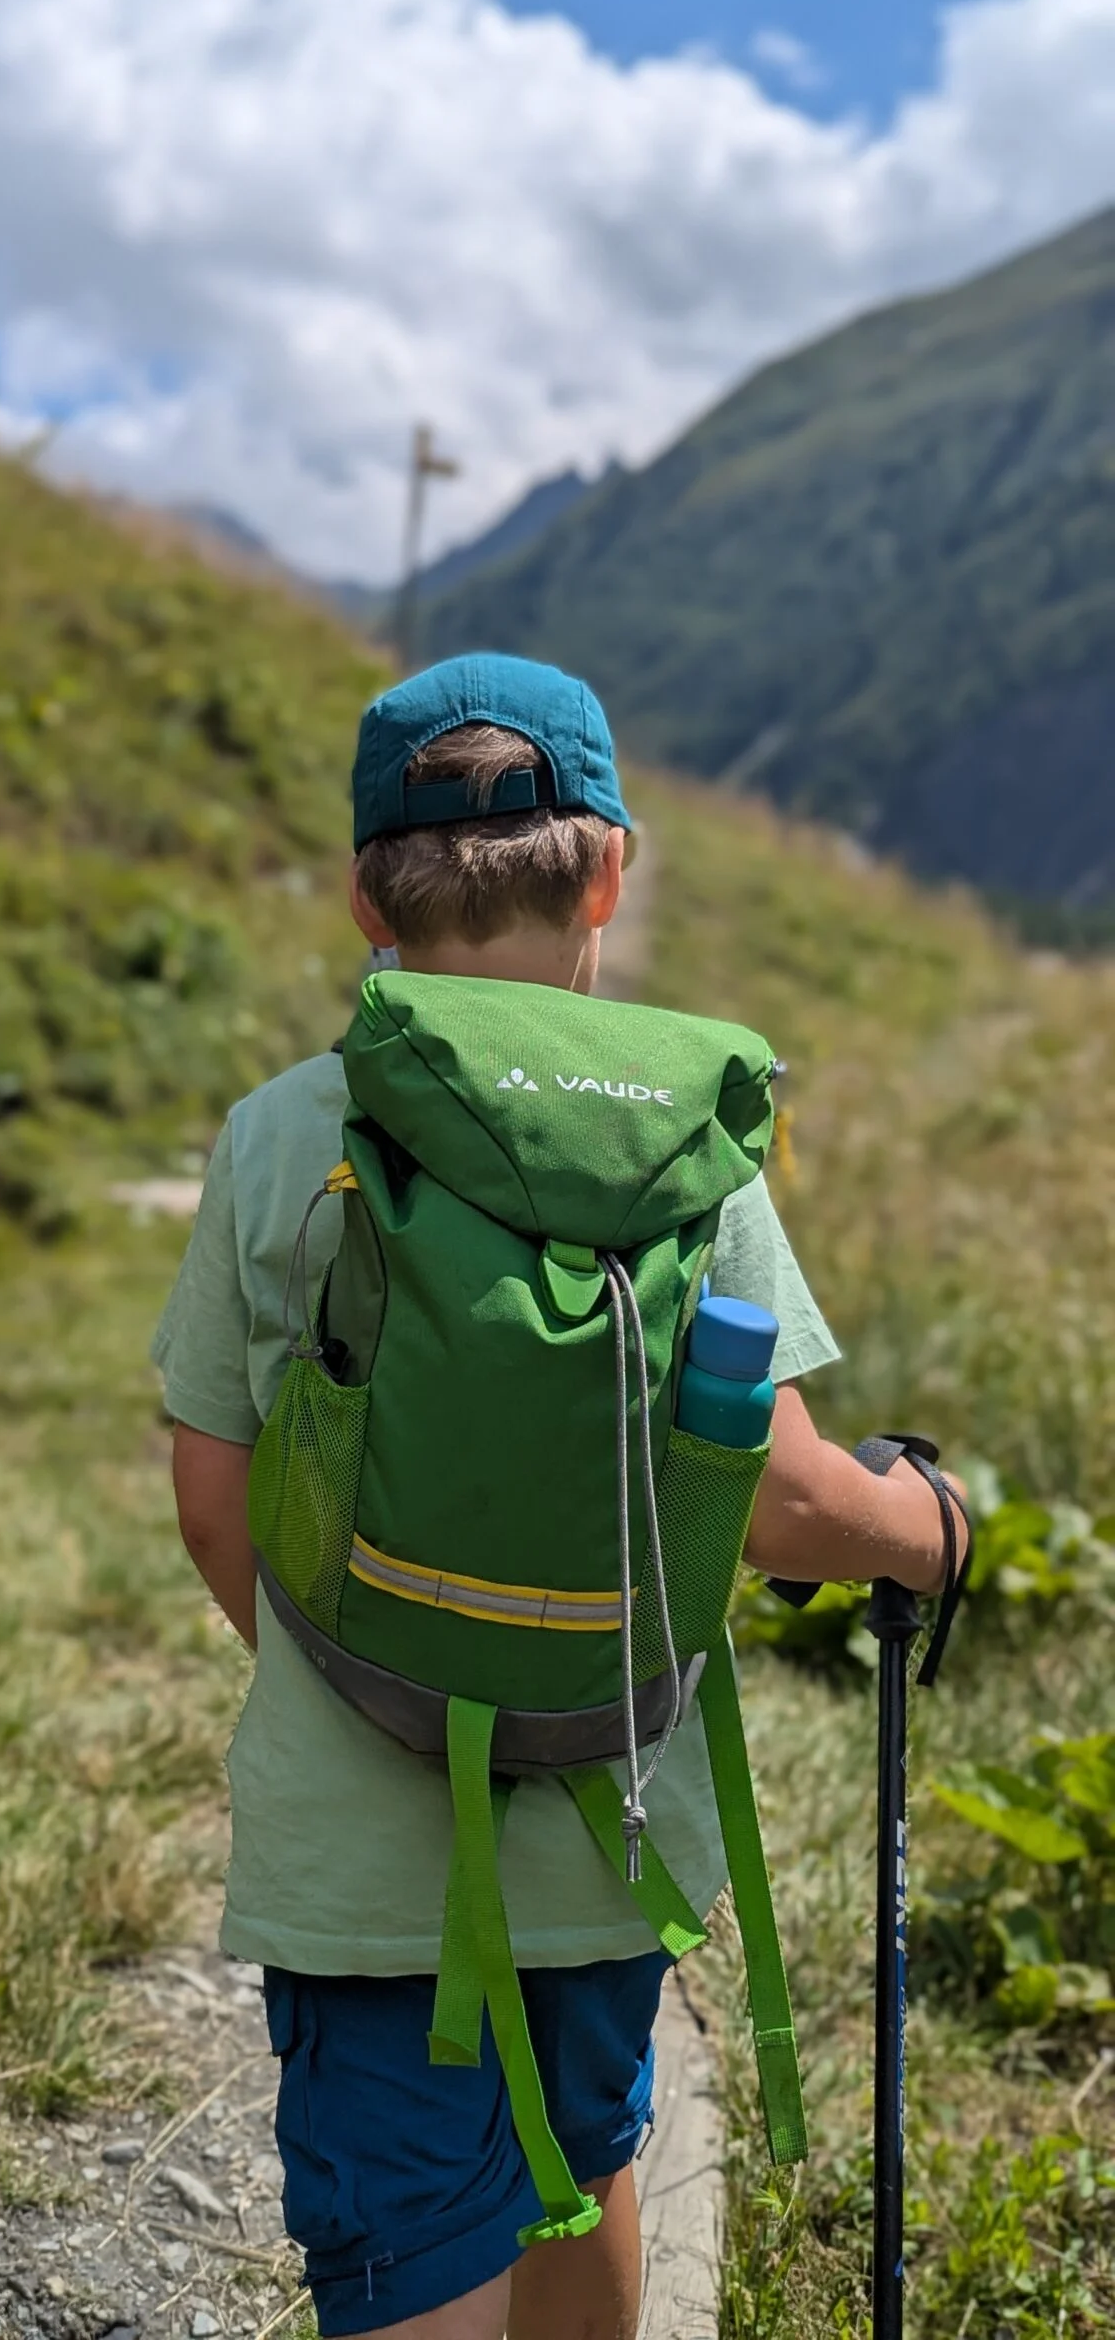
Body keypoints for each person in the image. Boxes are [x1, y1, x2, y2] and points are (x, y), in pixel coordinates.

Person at [153, 655, 969, 2340]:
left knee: (407, 2239)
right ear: (613, 872)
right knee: (589, 2157)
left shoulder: (283, 1130)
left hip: (365, 1861)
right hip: (607, 1829)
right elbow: (790, 1500)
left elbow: (215, 1495)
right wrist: (935, 1528)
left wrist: (347, 1663)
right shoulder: (684, 1148)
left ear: (363, 891)